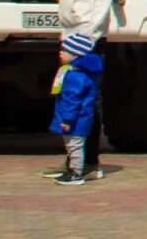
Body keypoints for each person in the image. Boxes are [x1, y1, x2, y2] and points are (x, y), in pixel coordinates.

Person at [40, 0, 120, 183]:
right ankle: (76, 160)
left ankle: (87, 163)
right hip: (71, 32)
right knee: (70, 97)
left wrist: (82, 41)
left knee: (83, 98)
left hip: (87, 38)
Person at [48, 31, 103, 187]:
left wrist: (67, 120)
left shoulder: (75, 76)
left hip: (75, 121)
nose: (60, 53)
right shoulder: (83, 74)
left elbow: (73, 101)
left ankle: (76, 173)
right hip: (80, 119)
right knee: (75, 146)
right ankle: (74, 170)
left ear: (75, 55)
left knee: (74, 146)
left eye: (65, 51)